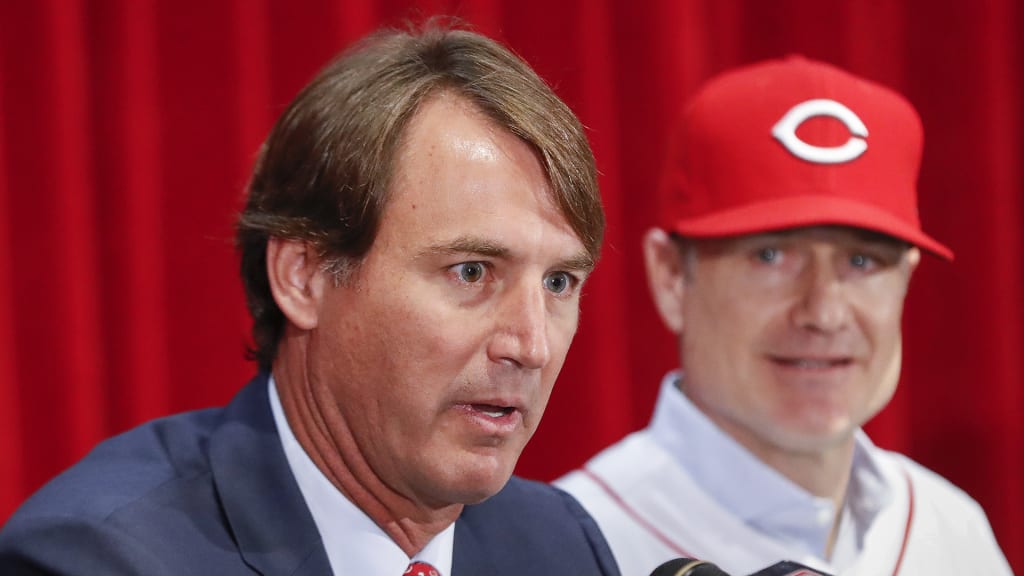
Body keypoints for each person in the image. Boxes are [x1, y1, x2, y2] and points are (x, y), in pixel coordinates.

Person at [0, 21, 620, 576]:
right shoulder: (101, 557)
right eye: (471, 272)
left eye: (559, 282)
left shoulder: (560, 545)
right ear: (303, 276)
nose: (532, 345)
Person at [557, 56, 1013, 575]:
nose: (824, 312)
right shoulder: (568, 542)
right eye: (770, 256)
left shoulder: (951, 527)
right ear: (670, 276)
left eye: (862, 261)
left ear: (907, 279)